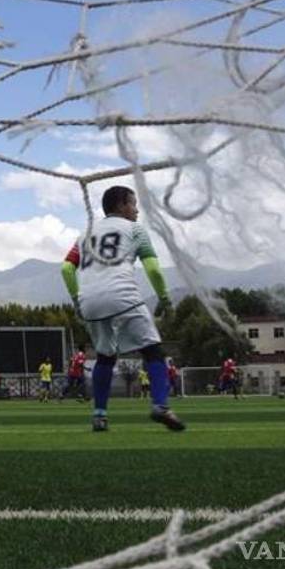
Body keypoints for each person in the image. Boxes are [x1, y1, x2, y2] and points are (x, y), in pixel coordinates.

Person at [60, 184, 185, 432]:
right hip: (122, 296)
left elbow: (66, 269)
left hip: (90, 302)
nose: (137, 211)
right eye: (133, 204)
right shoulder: (135, 230)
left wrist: (76, 300)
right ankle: (160, 405)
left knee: (105, 356)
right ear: (121, 206)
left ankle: (100, 415)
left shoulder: (84, 234)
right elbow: (153, 270)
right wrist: (164, 299)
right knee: (153, 351)